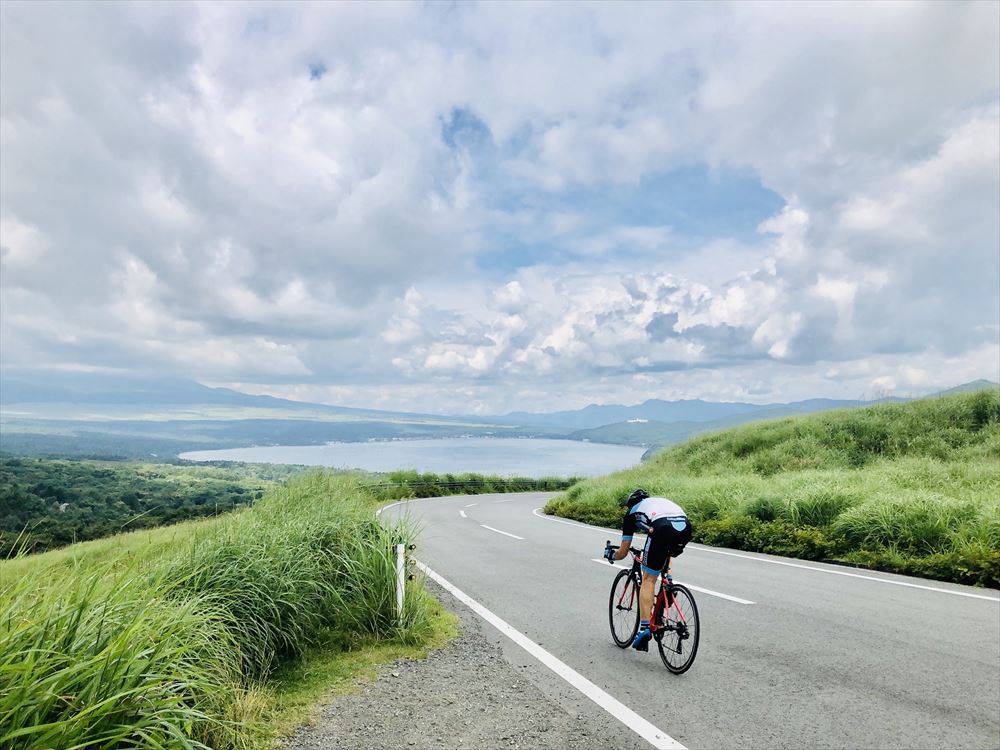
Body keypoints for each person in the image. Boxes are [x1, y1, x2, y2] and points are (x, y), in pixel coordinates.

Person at [603, 488, 693, 651]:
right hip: (685, 526)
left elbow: (623, 552)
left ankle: (644, 629)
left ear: (630, 504)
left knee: (648, 579)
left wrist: (611, 555)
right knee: (665, 551)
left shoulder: (631, 513)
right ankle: (668, 583)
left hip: (661, 527)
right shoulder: (656, 502)